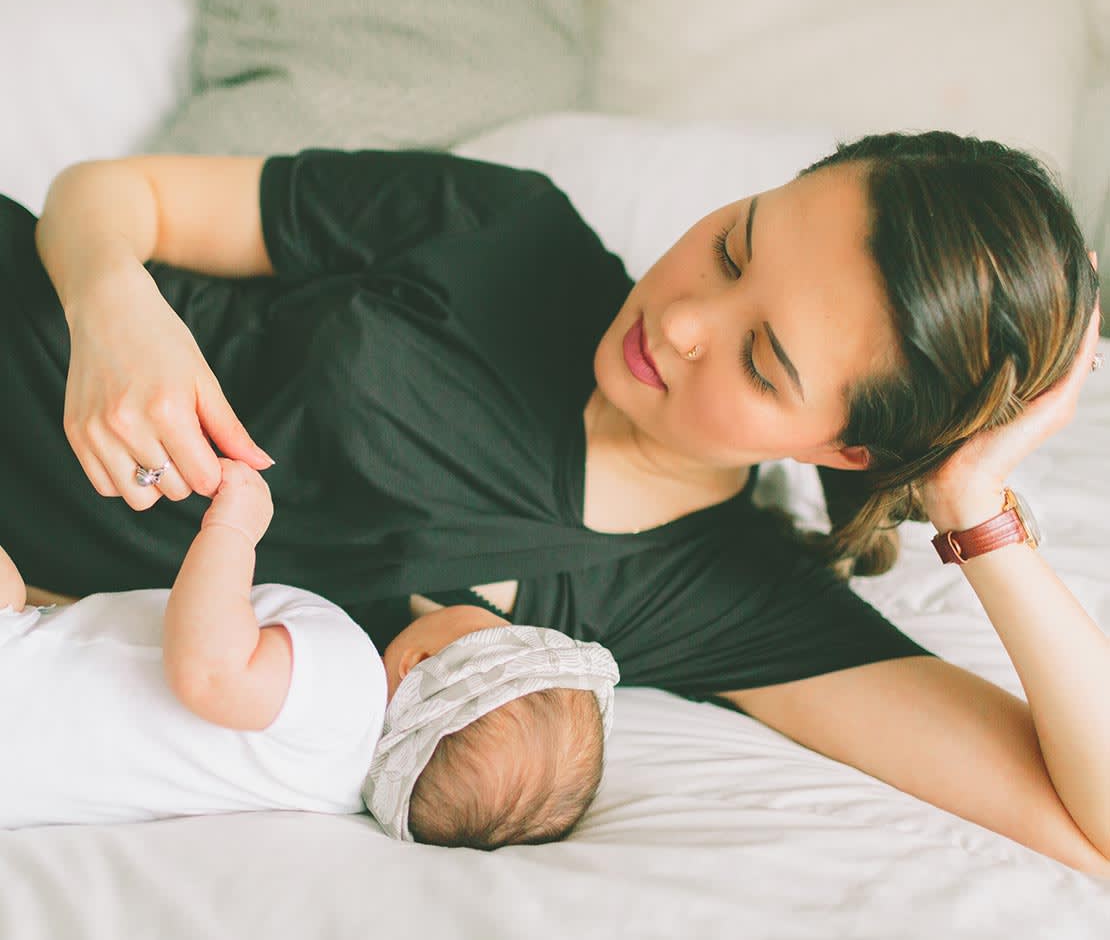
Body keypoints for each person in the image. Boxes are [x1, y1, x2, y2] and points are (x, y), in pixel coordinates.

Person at [0, 130, 1107, 874]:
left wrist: (974, 500)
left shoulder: (722, 599)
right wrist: (114, 305)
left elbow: (1093, 826)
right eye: (732, 246)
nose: (679, 322)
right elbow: (111, 195)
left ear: (851, 447)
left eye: (763, 364)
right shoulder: (508, 232)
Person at [0, 458, 619, 848]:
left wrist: (234, 530)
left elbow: (210, 669)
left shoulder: (345, 678)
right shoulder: (329, 787)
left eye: (500, 626)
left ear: (419, 666)